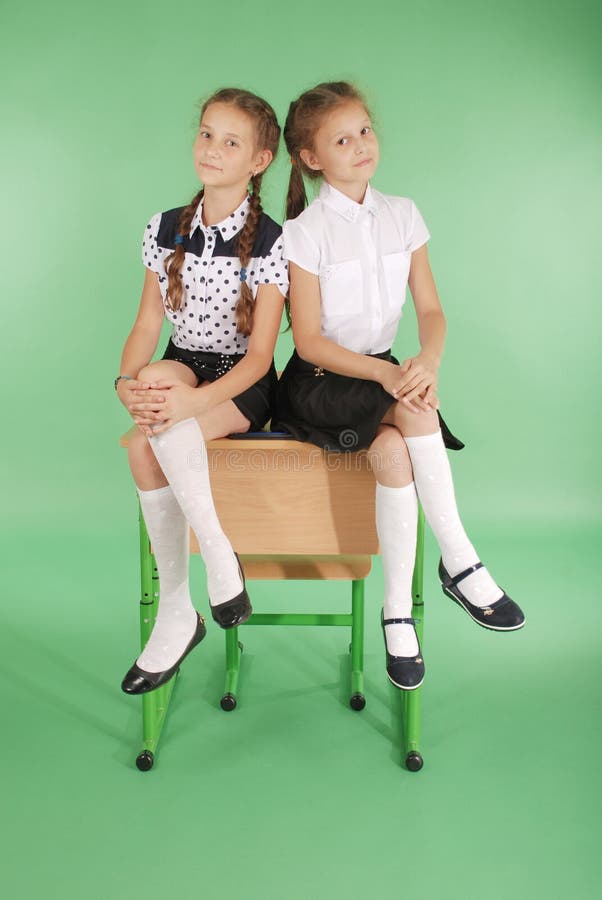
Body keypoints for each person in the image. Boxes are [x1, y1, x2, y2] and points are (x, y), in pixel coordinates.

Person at [272, 81, 524, 691]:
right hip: (320, 381)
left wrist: (426, 362)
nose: (360, 145)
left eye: (365, 130)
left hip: (388, 373)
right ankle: (460, 559)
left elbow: (432, 311)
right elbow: (307, 342)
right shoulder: (304, 232)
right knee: (413, 412)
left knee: (393, 451)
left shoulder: (403, 213)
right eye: (341, 139)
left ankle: (396, 613)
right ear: (311, 158)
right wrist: (394, 376)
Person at [116, 88, 287, 695]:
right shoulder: (164, 229)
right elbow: (145, 328)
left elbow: (263, 356)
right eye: (206, 134)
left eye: (230, 142)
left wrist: (190, 405)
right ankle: (196, 590)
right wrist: (126, 383)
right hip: (186, 363)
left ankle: (191, 591)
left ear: (259, 161)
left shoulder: (271, 239)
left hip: (244, 379)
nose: (212, 149)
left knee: (143, 448)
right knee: (157, 380)